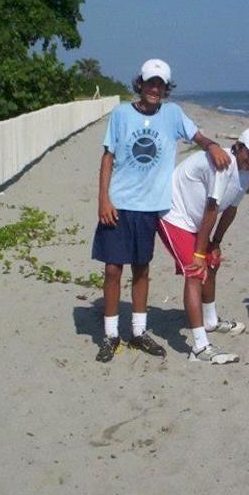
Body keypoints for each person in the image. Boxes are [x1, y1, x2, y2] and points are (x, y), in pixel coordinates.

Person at [93, 58, 230, 363]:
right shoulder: (120, 114)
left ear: (166, 89)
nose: (155, 89)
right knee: (113, 269)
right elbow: (107, 157)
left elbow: (197, 135)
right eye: (150, 82)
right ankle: (110, 334)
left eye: (161, 84)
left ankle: (139, 332)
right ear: (139, 83)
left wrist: (212, 146)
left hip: (151, 207)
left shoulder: (172, 114)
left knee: (142, 269)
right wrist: (103, 199)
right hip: (120, 203)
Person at [157, 127, 249, 364]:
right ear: (238, 147)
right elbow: (212, 208)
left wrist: (216, 243)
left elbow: (230, 209)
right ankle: (199, 348)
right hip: (174, 215)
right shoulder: (223, 163)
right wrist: (200, 252)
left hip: (196, 221)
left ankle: (210, 321)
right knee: (195, 271)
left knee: (213, 262)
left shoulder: (247, 171)